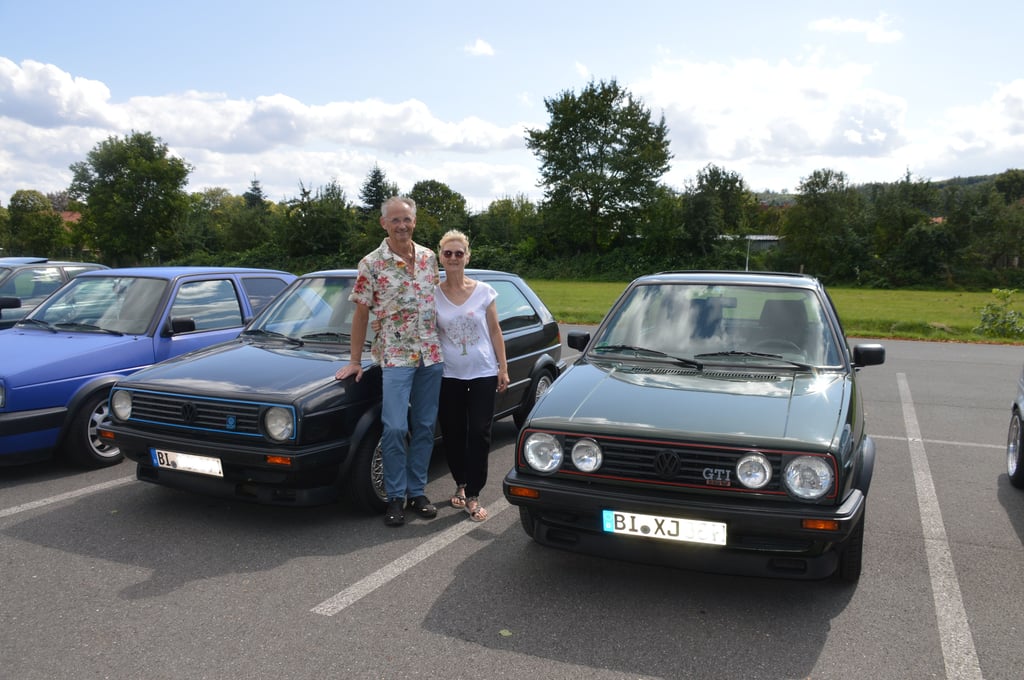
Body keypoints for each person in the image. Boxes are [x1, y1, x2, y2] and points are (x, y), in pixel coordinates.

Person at [335, 196, 444, 527]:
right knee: (395, 427)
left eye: (407, 219)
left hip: (431, 355)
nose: (402, 225)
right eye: (395, 220)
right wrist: (355, 360)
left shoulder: (428, 258)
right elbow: (361, 313)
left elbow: (440, 307)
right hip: (395, 358)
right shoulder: (371, 263)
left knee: (424, 426)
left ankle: (417, 492)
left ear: (415, 221)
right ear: (384, 224)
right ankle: (395, 496)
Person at [435, 230, 509, 522]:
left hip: (482, 372)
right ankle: (461, 484)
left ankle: (475, 493)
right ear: (441, 256)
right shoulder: (433, 294)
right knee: (453, 432)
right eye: (448, 253)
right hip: (448, 375)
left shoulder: (484, 291)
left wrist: (503, 367)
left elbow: (494, 331)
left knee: (479, 432)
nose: (453, 258)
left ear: (467, 256)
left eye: (459, 253)